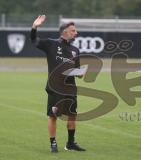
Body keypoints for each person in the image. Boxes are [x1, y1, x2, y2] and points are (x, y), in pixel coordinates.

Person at [31, 15, 86, 153]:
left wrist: (80, 73)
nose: (76, 33)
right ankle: (53, 143)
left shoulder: (75, 50)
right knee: (53, 115)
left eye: (75, 30)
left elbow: (76, 71)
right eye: (73, 30)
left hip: (70, 89)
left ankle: (70, 143)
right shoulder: (51, 44)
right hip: (55, 88)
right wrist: (34, 26)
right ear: (65, 32)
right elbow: (34, 40)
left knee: (72, 115)